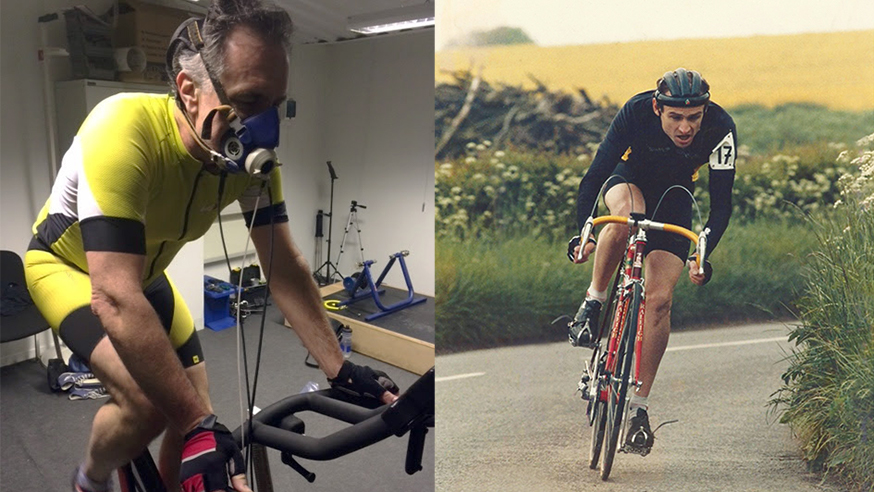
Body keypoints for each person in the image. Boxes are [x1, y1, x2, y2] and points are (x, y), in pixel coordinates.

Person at [24, 1, 398, 491]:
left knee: (197, 405)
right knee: (149, 404)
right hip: (68, 269)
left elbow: (283, 268)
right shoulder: (123, 129)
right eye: (248, 101)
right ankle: (89, 479)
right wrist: (197, 424)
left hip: (146, 280)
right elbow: (114, 295)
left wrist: (339, 367)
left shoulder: (245, 163)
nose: (264, 126)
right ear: (189, 90)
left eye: (275, 104)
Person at [568, 68, 736, 455]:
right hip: (629, 180)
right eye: (675, 117)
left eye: (694, 117)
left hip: (676, 197)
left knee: (659, 300)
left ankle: (639, 410)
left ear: (704, 112)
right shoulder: (636, 110)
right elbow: (593, 177)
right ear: (658, 108)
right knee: (628, 217)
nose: (685, 127)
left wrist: (702, 255)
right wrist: (583, 233)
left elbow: (721, 204)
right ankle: (593, 301)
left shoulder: (721, 127)